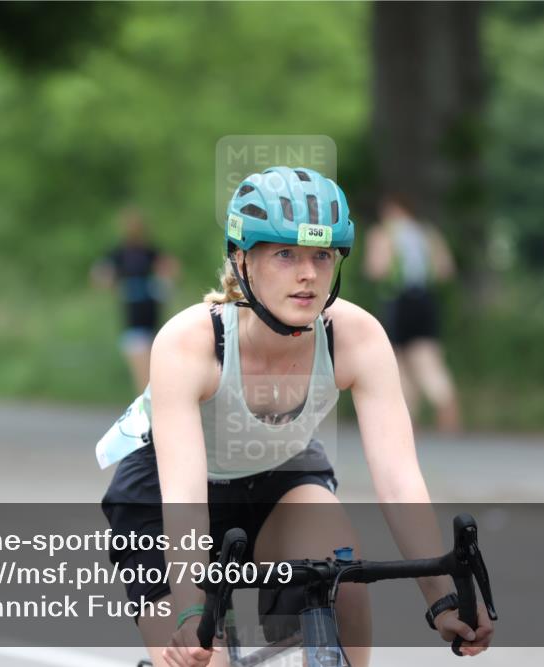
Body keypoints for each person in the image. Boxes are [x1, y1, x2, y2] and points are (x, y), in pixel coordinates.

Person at [97, 167, 493, 667]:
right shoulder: (190, 342)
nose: (308, 274)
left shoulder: (356, 336)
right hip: (166, 496)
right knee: (202, 657)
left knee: (343, 586)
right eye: (285, 254)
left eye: (321, 256)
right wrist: (191, 611)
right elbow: (186, 502)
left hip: (281, 476)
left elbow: (398, 480)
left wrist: (442, 599)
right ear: (242, 259)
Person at [363, 193, 461, 433]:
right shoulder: (427, 233)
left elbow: (376, 269)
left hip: (397, 301)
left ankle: (408, 419)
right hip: (425, 300)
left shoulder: (383, 233)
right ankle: (444, 400)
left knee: (398, 362)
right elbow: (445, 270)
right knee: (428, 357)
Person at [91, 207, 179, 393]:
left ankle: (156, 408)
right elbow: (100, 276)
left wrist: (162, 282)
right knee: (144, 379)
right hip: (133, 322)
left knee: (156, 374)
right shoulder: (118, 254)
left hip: (154, 323)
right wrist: (113, 283)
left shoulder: (151, 252)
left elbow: (171, 269)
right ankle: (148, 409)